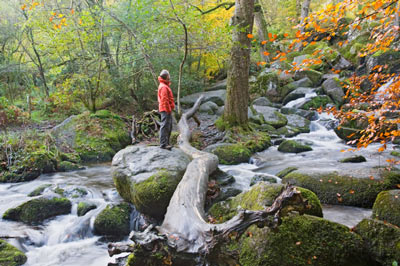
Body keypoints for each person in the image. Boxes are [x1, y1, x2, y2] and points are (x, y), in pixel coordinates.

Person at [158, 69, 175, 150]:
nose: (170, 76)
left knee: (168, 126)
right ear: (166, 76)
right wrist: (168, 109)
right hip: (165, 109)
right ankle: (163, 144)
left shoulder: (164, 85)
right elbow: (164, 100)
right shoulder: (164, 87)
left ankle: (166, 143)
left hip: (166, 108)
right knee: (165, 126)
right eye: (169, 75)